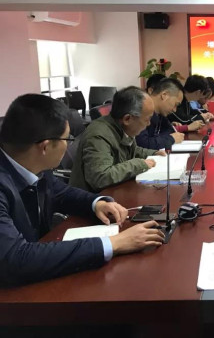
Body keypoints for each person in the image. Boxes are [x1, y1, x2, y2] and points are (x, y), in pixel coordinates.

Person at [0, 94, 164, 286]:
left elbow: (59, 192)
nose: (68, 145)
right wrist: (114, 243)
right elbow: (16, 259)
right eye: (67, 139)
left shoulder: (32, 162)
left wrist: (96, 203)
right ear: (45, 147)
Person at [70, 86, 163, 192]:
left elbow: (132, 150)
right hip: (94, 198)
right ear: (127, 119)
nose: (149, 123)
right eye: (147, 119)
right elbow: (100, 178)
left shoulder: (122, 128)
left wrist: (154, 153)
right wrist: (139, 164)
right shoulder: (98, 136)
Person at [136, 78, 185, 150]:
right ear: (164, 95)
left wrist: (157, 139)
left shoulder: (160, 113)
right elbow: (143, 144)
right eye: (176, 104)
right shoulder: (140, 108)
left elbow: (171, 130)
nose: (175, 110)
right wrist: (170, 139)